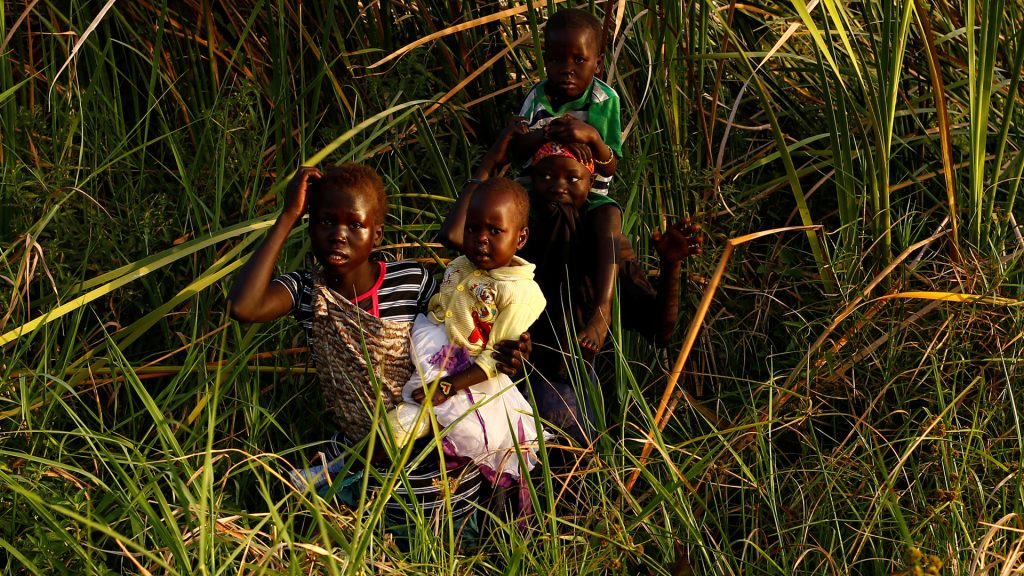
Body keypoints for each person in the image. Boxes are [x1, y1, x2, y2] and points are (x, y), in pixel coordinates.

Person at [227, 163, 530, 488]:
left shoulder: (410, 281)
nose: (338, 234)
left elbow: (459, 341)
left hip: (432, 457)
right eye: (325, 221)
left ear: (377, 234)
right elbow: (243, 306)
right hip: (356, 450)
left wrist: (511, 353)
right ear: (310, 226)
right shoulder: (307, 291)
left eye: (355, 224)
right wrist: (288, 215)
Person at [442, 126, 702, 445]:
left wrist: (671, 265)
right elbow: (455, 235)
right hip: (491, 375)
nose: (557, 187)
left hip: (563, 385)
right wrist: (490, 163)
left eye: (571, 178)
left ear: (590, 183)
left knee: (563, 455)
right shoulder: (511, 236)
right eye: (546, 176)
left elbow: (660, 332)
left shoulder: (605, 247)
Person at [387, 178, 546, 483]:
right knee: (408, 431)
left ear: (521, 237)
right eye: (472, 229)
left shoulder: (522, 293)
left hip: (466, 378)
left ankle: (337, 473)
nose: (481, 239)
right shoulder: (461, 264)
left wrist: (447, 387)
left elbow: (495, 357)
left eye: (495, 231)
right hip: (429, 355)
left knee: (461, 441)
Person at [509, 7, 622, 196]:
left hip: (588, 197)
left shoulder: (604, 99)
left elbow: (609, 168)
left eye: (579, 60)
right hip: (539, 194)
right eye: (557, 59)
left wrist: (592, 137)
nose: (567, 69)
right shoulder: (536, 97)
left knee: (610, 212)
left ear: (598, 64)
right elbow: (517, 154)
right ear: (545, 60)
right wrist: (551, 133)